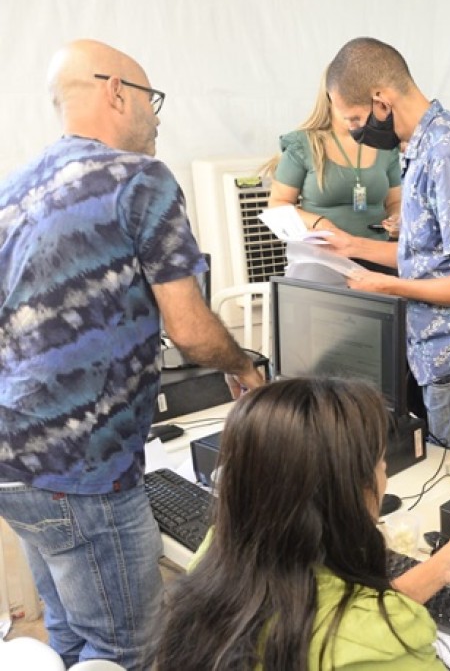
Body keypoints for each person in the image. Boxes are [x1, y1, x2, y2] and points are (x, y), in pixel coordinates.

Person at [0, 40, 265, 669]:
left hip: (14, 461)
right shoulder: (140, 180)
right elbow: (192, 329)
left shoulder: (13, 192)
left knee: (69, 631)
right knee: (130, 651)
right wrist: (242, 365)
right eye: (152, 99)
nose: (155, 116)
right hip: (84, 474)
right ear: (116, 91)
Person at [151, 378, 450, 671]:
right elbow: (354, 635)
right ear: (352, 493)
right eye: (381, 463)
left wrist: (437, 570)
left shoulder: (225, 552)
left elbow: (324, 617)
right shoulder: (386, 640)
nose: (384, 473)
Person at [318, 37, 450, 478]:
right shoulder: (430, 144)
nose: (358, 132)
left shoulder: (448, 155)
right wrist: (351, 246)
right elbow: (429, 258)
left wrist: (385, 285)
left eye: (357, 119)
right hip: (442, 351)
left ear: (381, 101)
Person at [267, 71, 402, 257]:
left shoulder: (385, 145)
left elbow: (395, 201)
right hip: (322, 254)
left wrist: (397, 219)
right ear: (332, 96)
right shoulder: (303, 144)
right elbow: (277, 204)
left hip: (377, 252)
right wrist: (321, 224)